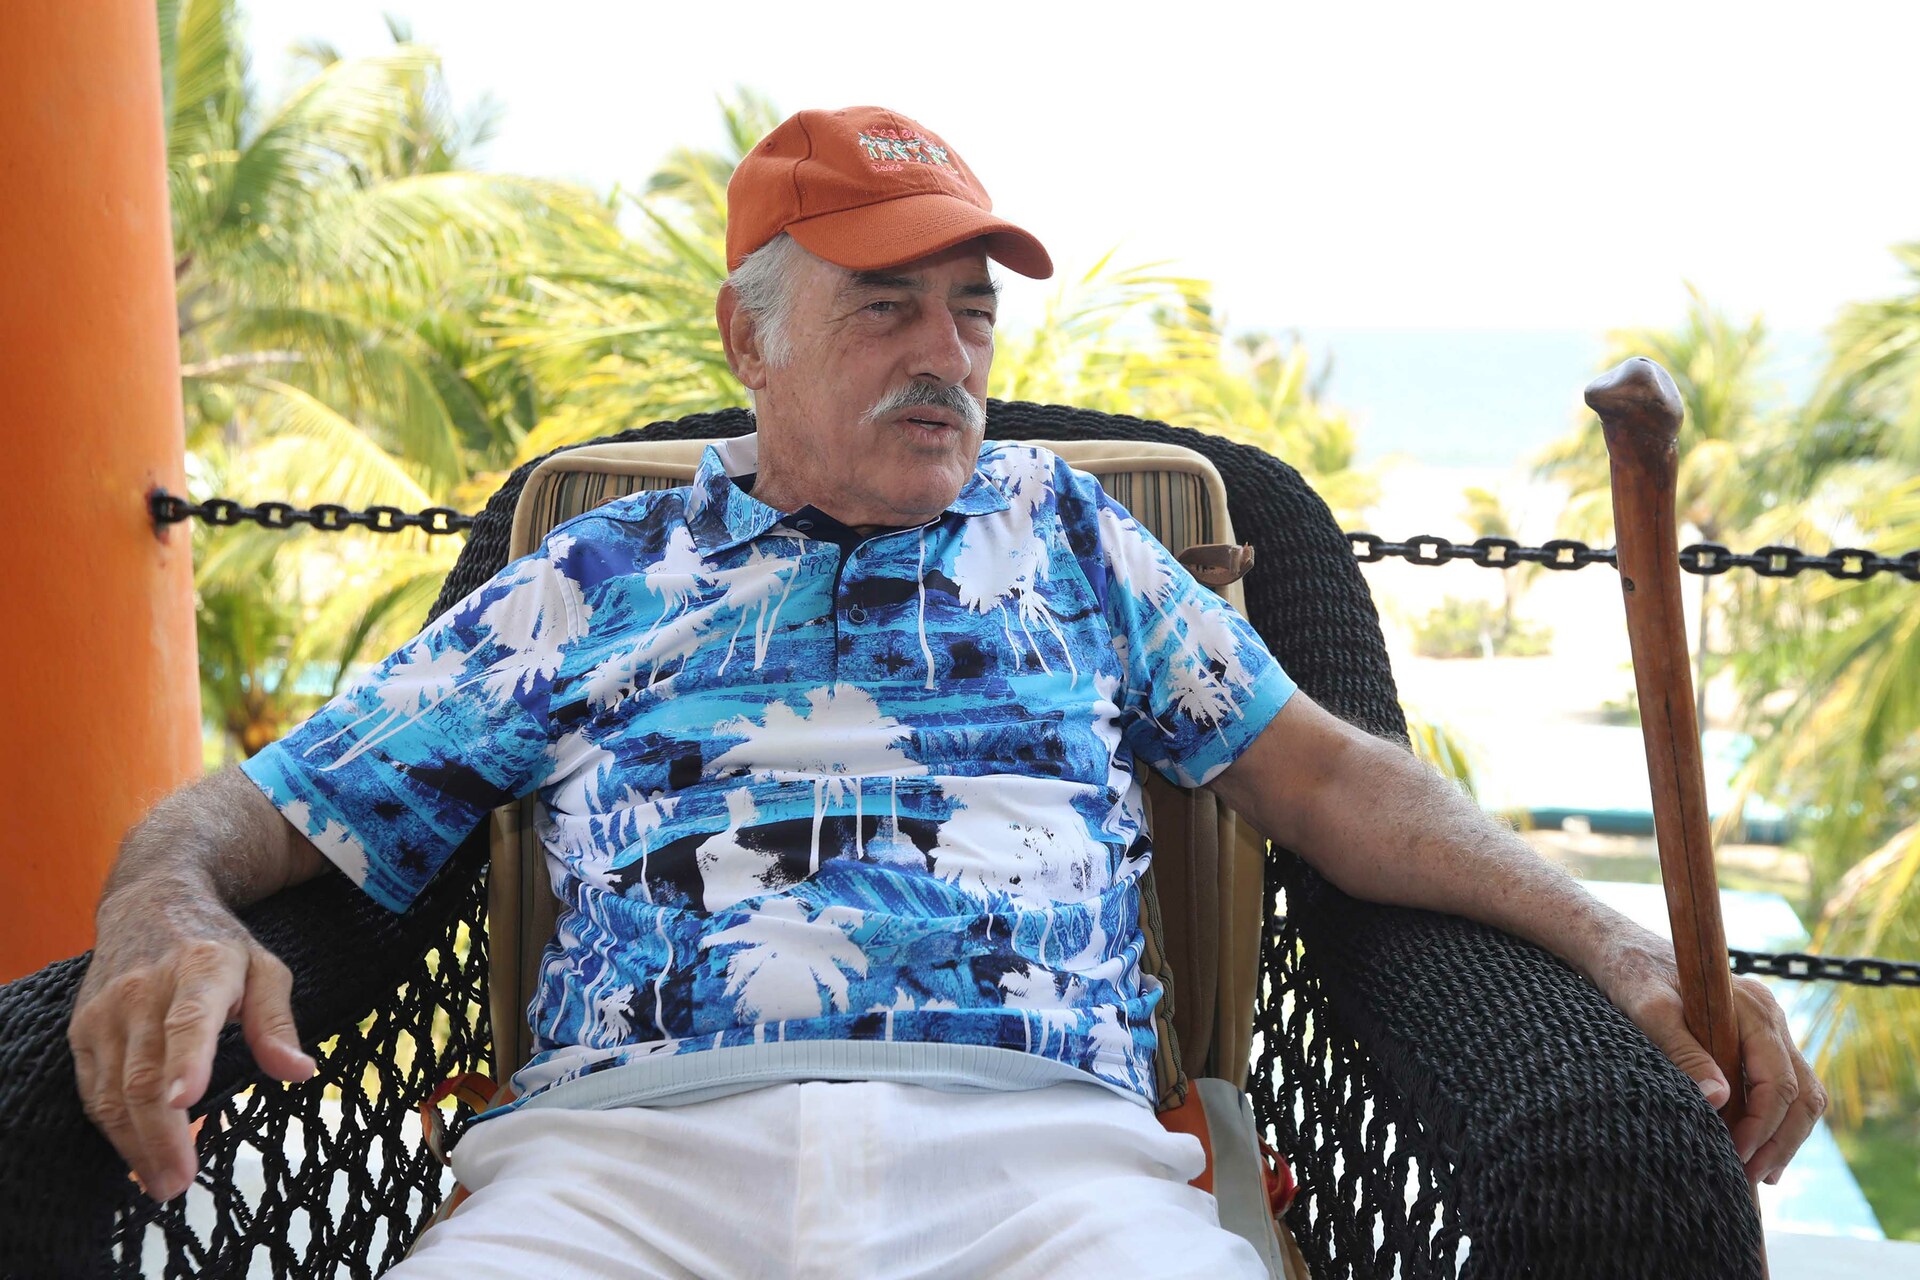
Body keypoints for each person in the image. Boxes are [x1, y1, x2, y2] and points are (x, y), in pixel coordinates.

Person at [69, 106, 1824, 1278]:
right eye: (886, 308)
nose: (947, 357)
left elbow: (1343, 787)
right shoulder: (591, 576)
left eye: (971, 313)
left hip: (1045, 1170)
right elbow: (253, 812)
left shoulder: (1078, 541)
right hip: (618, 1175)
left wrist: (1623, 949)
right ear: (748, 338)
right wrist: (163, 907)